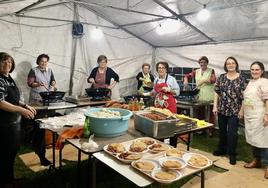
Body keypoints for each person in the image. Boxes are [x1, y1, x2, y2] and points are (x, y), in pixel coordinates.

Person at [0, 52, 36, 188]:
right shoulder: (0, 79)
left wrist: (25, 105)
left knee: (11, 152)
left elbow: (13, 99)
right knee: (4, 154)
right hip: (3, 124)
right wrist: (21, 110)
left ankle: (9, 179)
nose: (7, 64)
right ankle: (5, 182)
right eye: (3, 61)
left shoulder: (8, 78)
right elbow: (0, 102)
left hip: (13, 123)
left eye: (9, 61)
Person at [213, 56, 247, 165]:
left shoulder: (242, 78)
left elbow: (245, 97)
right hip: (222, 109)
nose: (230, 65)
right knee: (222, 131)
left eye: (232, 63)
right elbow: (216, 92)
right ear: (225, 66)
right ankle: (222, 149)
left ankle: (232, 153)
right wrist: (215, 106)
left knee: (232, 132)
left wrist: (241, 111)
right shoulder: (221, 77)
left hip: (235, 110)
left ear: (236, 65)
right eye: (228, 63)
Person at [238, 61, 268, 179]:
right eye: (252, 70)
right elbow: (246, 100)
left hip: (261, 115)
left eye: (257, 70)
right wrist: (242, 111)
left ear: (262, 71)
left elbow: (267, 99)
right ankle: (257, 161)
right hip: (250, 116)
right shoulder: (250, 82)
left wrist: (267, 114)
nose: (254, 72)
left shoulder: (265, 82)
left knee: (264, 141)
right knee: (254, 139)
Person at [27, 54, 56, 166]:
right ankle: (39, 150)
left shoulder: (50, 70)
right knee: (38, 126)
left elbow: (53, 81)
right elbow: (30, 83)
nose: (44, 63)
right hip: (36, 101)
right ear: (38, 62)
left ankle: (43, 146)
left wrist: (53, 83)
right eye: (42, 61)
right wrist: (38, 83)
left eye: (45, 61)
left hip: (47, 100)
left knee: (47, 125)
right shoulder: (33, 70)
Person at [183, 56, 216, 136]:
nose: (202, 64)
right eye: (201, 62)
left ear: (207, 63)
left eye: (204, 62)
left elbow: (213, 80)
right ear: (199, 63)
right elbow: (187, 75)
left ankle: (210, 130)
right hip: (199, 95)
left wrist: (204, 80)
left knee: (210, 113)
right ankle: (201, 129)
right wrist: (186, 80)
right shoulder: (196, 71)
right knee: (200, 112)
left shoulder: (211, 71)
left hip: (209, 95)